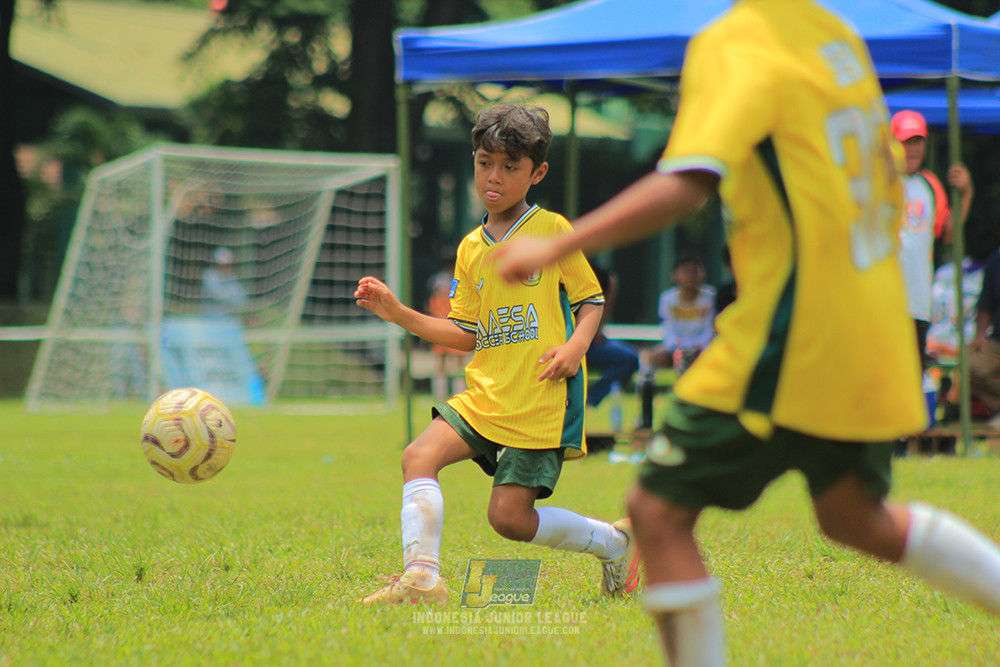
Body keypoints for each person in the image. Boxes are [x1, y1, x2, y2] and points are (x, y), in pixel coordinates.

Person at [496, 1, 1000, 663]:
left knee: (656, 508)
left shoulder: (737, 43)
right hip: (872, 318)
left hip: (798, 326)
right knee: (853, 515)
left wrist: (555, 245)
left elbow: (687, 183)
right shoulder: (836, 37)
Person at [354, 103, 640, 606]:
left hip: (540, 396)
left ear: (537, 172)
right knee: (418, 455)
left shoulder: (551, 229)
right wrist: (398, 313)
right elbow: (466, 332)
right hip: (486, 391)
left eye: (511, 167)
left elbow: (590, 301)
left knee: (508, 520)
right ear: (473, 160)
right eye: (486, 162)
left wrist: (576, 347)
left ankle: (617, 544)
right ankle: (422, 579)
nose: (495, 177)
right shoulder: (471, 247)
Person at [890, 109, 974, 367]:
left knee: (912, 373)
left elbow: (949, 234)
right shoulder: (880, 180)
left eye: (918, 141)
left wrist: (967, 192)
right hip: (883, 299)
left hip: (918, 302)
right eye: (906, 141)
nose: (912, 149)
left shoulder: (930, 185)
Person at [585, 259, 640, 409]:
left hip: (589, 345)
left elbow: (611, 280)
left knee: (628, 357)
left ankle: (590, 400)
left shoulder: (602, 276)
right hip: (562, 345)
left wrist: (597, 329)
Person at [650, 254, 715, 376]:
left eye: (694, 270)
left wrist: (698, 347)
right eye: (685, 271)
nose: (691, 275)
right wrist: (676, 347)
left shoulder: (710, 297)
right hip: (676, 347)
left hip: (702, 347)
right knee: (655, 356)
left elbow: (709, 329)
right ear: (674, 276)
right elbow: (667, 328)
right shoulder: (667, 299)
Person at [201, 246, 248, 319]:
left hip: (229, 319)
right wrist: (232, 297)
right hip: (211, 320)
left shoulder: (231, 277)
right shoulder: (209, 276)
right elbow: (219, 295)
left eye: (228, 264)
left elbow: (241, 298)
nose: (225, 267)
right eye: (223, 264)